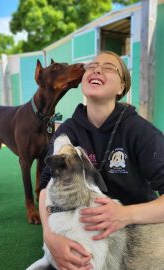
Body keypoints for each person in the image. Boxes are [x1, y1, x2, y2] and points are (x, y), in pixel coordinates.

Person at [39, 51, 164, 270]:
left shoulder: (141, 132)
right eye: (92, 66)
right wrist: (49, 236)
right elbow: (45, 187)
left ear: (121, 88)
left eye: (108, 68)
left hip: (135, 232)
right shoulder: (68, 131)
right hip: (83, 227)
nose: (97, 69)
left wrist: (125, 214)